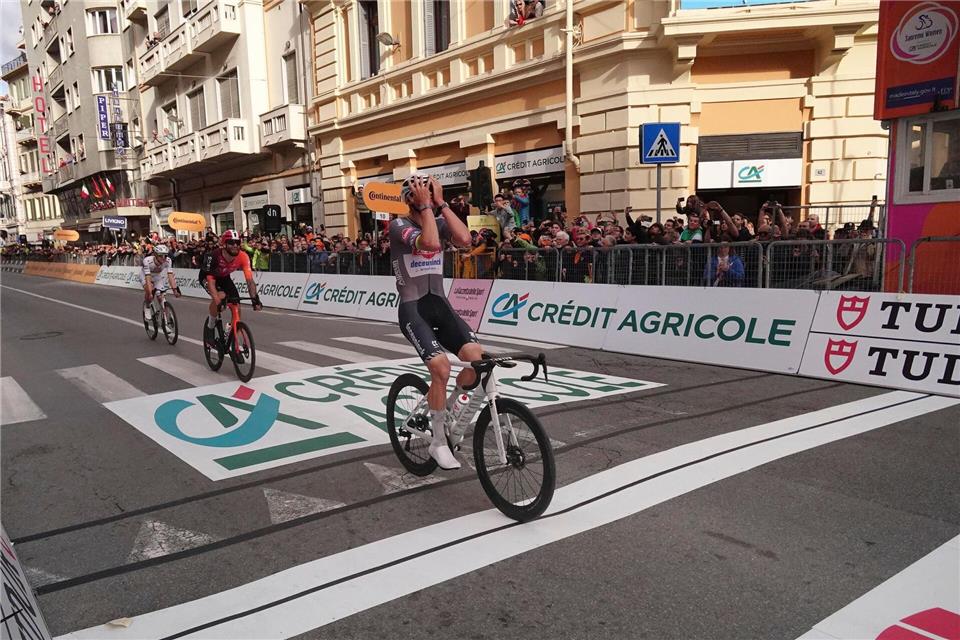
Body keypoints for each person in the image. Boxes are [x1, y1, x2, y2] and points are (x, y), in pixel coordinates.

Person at [389, 173, 483, 470]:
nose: (428, 198)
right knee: (440, 368)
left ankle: (443, 407)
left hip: (440, 304)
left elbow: (466, 239)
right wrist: (427, 207)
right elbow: (429, 244)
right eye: (424, 195)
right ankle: (438, 441)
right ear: (412, 200)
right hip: (413, 309)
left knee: (476, 361)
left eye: (431, 193)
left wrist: (441, 204)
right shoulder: (398, 226)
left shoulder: (438, 218)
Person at [199, 230, 262, 347]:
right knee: (221, 297)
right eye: (231, 243)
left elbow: (249, 281)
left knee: (237, 305)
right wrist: (218, 301)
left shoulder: (243, 256)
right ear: (224, 244)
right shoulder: (213, 256)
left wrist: (255, 299)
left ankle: (233, 341)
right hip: (209, 277)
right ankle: (210, 327)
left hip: (224, 277)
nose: (235, 246)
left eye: (237, 243)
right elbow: (211, 283)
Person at [141, 244, 181, 321]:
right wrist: (150, 292)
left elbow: (170, 275)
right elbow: (148, 278)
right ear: (155, 255)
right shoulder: (147, 261)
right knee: (150, 294)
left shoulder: (168, 261)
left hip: (157, 276)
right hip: (145, 275)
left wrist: (175, 290)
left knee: (160, 296)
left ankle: (165, 321)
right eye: (161, 256)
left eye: (165, 256)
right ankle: (147, 306)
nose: (163, 258)